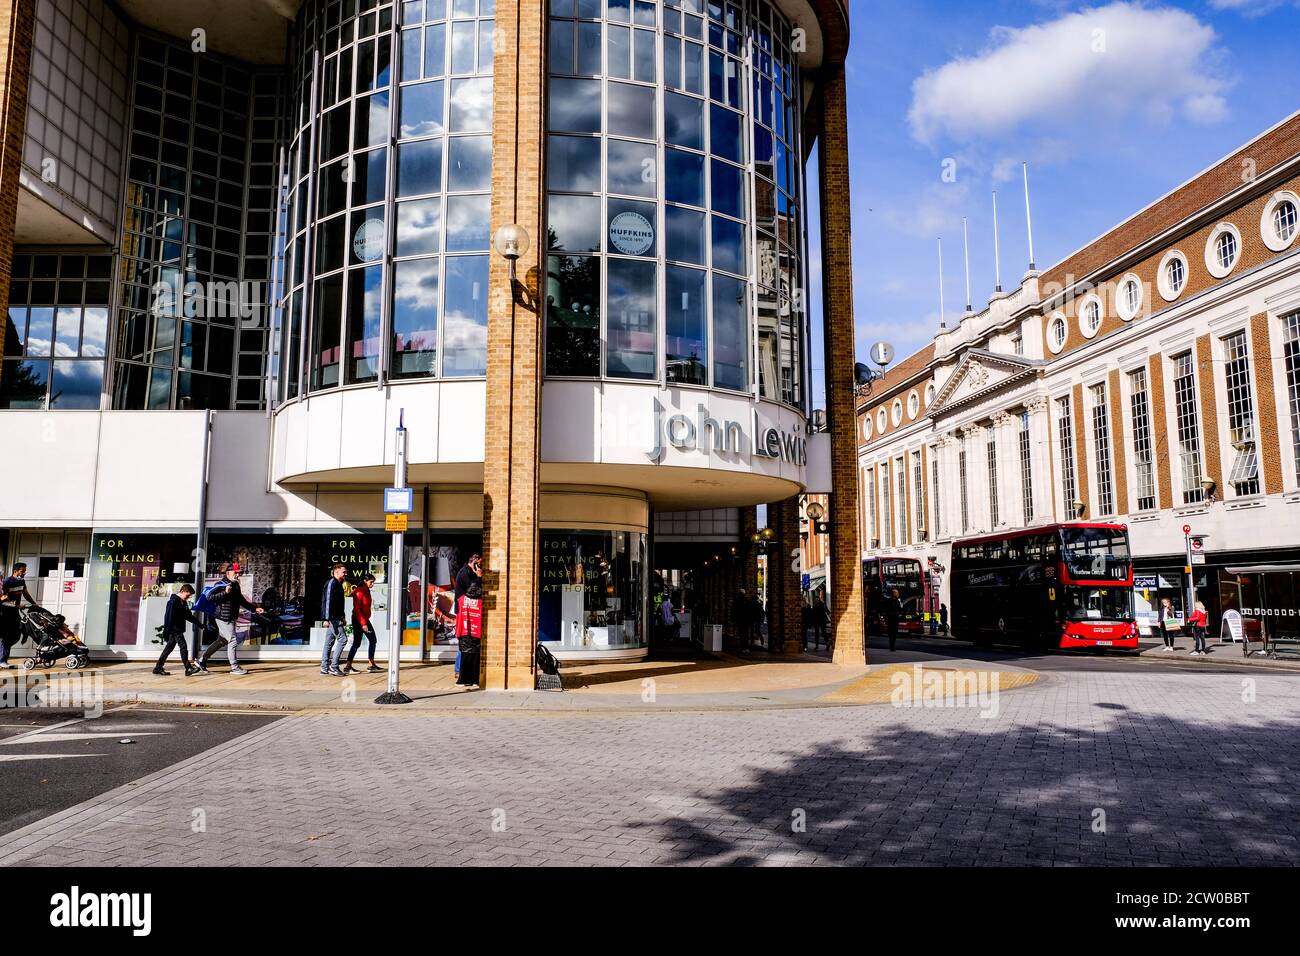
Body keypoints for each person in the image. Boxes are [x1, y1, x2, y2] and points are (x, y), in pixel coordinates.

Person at [196, 563, 263, 675]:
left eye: (238, 573)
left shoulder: (235, 585)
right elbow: (210, 598)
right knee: (232, 640)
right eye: (235, 572)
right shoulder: (220, 584)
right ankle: (234, 667)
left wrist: (255, 609)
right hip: (223, 617)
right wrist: (225, 593)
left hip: (230, 617)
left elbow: (242, 601)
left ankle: (202, 660)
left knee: (222, 641)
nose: (237, 575)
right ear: (228, 572)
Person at [154, 584, 197, 676]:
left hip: (178, 629)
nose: (188, 598)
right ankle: (188, 668)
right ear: (182, 592)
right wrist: (167, 631)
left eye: (189, 596)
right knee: (183, 647)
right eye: (187, 595)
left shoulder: (183, 602)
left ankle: (158, 667)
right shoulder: (173, 602)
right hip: (174, 629)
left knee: (169, 648)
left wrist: (200, 624)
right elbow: (168, 617)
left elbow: (188, 616)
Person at [344, 572, 381, 674]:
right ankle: (369, 664)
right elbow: (357, 609)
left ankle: (350, 665)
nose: (372, 584)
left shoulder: (366, 590)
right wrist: (363, 623)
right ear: (365, 581)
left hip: (362, 619)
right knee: (370, 640)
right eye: (371, 582)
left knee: (360, 642)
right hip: (359, 619)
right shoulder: (360, 591)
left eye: (373, 582)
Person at [453, 554, 483, 681]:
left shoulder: (469, 572)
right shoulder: (465, 573)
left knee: (467, 642)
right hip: (464, 611)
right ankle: (459, 670)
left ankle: (461, 670)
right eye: (480, 564)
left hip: (468, 611)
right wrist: (479, 576)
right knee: (465, 642)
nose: (481, 566)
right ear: (475, 562)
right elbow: (472, 591)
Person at [0, 563, 35, 670]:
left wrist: (34, 603)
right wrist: (17, 605)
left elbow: (25, 593)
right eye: (22, 571)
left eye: (25, 571)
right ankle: (2, 660)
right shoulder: (6, 582)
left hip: (15, 612)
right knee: (7, 636)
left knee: (15, 635)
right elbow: (2, 598)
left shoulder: (21, 581)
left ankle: (2, 658)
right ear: (16, 571)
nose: (24, 573)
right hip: (5, 613)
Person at [320, 563, 349, 676]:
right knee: (343, 639)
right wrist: (326, 619)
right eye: (343, 572)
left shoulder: (338, 584)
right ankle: (334, 666)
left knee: (329, 642)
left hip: (336, 617)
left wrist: (343, 616)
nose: (345, 574)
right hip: (333, 618)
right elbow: (327, 602)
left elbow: (338, 603)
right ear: (336, 572)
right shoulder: (332, 583)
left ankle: (324, 667)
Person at [882, 587, 902, 653]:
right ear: (894, 594)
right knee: (891, 634)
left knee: (894, 634)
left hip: (895, 619)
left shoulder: (897, 601)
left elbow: (900, 609)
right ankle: (891, 647)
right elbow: (886, 610)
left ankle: (892, 647)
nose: (898, 594)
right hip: (891, 619)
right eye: (897, 593)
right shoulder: (889, 601)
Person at [731, 589, 751, 654]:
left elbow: (733, 610)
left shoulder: (737, 600)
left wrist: (733, 619)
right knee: (746, 634)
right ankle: (746, 648)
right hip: (747, 620)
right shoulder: (747, 601)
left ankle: (743, 648)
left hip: (740, 620)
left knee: (741, 634)